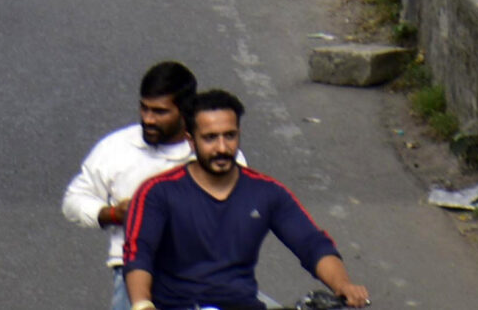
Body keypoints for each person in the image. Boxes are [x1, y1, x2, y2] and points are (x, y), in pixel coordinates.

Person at [122, 89, 372, 310]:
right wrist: (143, 304)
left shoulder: (267, 192)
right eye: (210, 138)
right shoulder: (157, 192)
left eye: (229, 136)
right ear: (191, 140)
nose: (222, 147)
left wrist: (344, 285)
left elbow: (312, 244)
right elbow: (138, 252)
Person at [63, 60, 204, 309]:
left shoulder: (213, 151)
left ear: (186, 112)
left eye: (160, 112)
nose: (148, 119)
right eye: (144, 109)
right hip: (134, 276)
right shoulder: (117, 147)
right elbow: (74, 200)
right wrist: (115, 213)